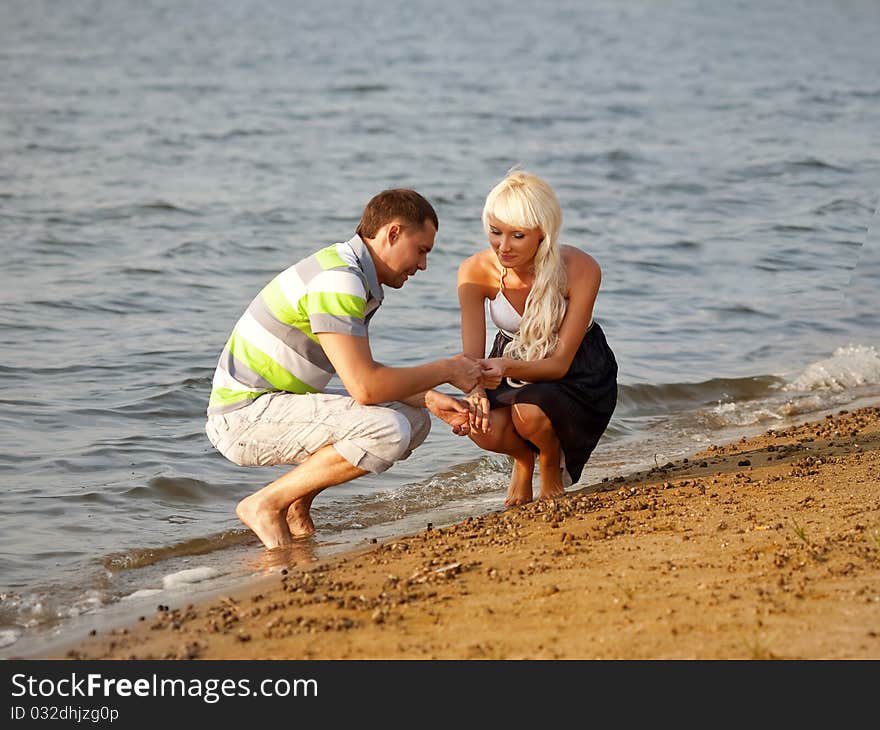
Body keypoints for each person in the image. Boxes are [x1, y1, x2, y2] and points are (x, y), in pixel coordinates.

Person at [205, 189, 482, 549]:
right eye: (422, 250)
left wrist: (429, 398)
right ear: (393, 233)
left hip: (275, 404)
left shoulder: (350, 271)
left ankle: (296, 505)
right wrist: (447, 370)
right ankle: (266, 504)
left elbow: (357, 372)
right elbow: (365, 387)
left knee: (414, 418)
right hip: (243, 417)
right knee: (388, 429)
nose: (423, 265)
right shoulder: (339, 279)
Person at [457, 170, 618, 506]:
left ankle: (547, 459)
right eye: (495, 232)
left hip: (576, 368)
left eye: (517, 236)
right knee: (477, 424)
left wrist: (505, 366)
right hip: (509, 358)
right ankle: (522, 460)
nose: (503, 246)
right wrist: (474, 391)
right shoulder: (474, 271)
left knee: (529, 412)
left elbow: (558, 365)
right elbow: (470, 359)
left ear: (543, 234)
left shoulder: (581, 267)